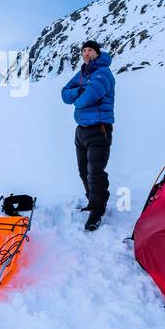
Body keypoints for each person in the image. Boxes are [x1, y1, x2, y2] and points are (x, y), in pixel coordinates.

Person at [60, 40, 115, 231]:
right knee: (84, 171)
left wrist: (79, 96)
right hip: (81, 130)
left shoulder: (103, 73)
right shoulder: (83, 73)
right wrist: (79, 90)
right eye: (84, 50)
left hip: (99, 130)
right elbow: (64, 94)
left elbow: (86, 99)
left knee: (95, 173)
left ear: (97, 53)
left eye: (90, 50)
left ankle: (97, 211)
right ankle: (92, 202)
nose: (86, 53)